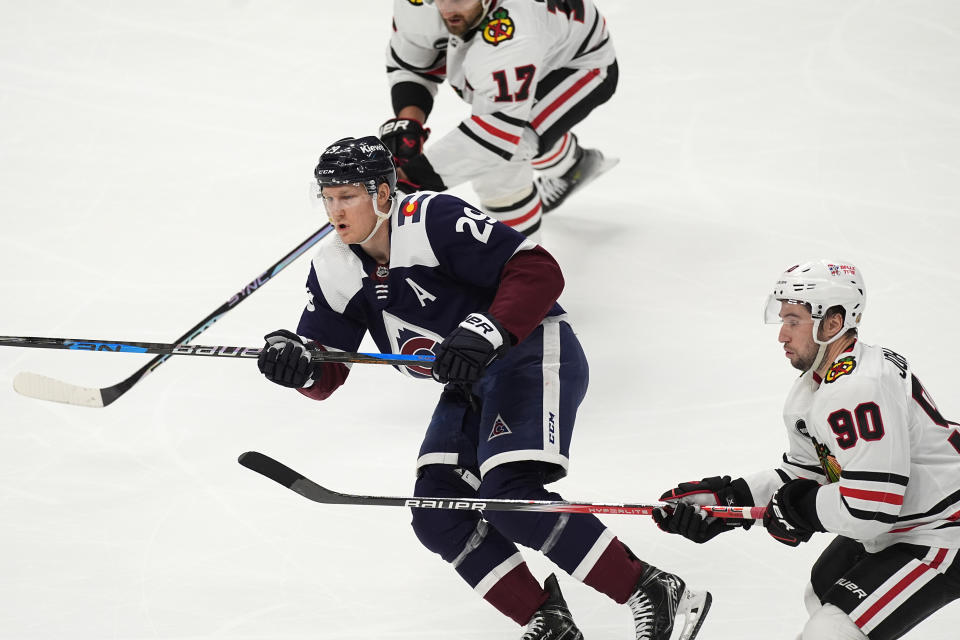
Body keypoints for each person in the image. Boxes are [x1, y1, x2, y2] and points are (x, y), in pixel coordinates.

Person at [257, 135, 711, 640]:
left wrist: (488, 328)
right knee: (436, 513)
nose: (334, 209)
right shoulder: (334, 267)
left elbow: (539, 269)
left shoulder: (434, 219)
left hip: (531, 352)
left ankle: (651, 587)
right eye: (327, 196)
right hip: (470, 384)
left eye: (347, 196)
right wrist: (298, 365)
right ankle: (548, 622)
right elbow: (326, 369)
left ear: (383, 194)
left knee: (508, 495)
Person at [654, 259, 960, 640]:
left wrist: (800, 509)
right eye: (782, 319)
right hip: (902, 521)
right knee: (821, 594)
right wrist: (728, 502)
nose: (782, 335)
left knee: (832, 630)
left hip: (942, 530)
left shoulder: (857, 387)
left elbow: (871, 505)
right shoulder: (817, 386)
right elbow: (810, 473)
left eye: (794, 321)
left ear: (833, 323)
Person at [379, 0, 620, 238]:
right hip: (532, 47)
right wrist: (409, 124)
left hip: (576, 63)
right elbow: (413, 64)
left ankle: (524, 270)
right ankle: (575, 167)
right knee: (524, 132)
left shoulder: (517, 27)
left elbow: (496, 139)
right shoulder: (418, 4)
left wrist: (411, 178)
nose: (446, 7)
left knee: (505, 161)